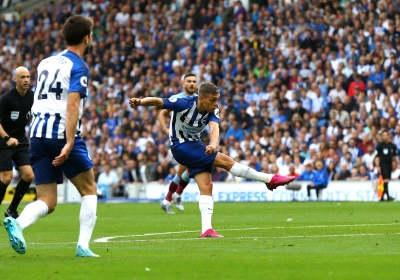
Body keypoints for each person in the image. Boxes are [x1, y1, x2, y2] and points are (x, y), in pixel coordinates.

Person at [129, 82, 295, 238]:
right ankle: (269, 179)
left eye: (218, 100)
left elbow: (214, 129)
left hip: (196, 144)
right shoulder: (183, 103)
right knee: (225, 161)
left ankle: (206, 229)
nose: (216, 103)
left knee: (206, 185)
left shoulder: (212, 111)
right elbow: (158, 101)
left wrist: (213, 144)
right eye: (213, 100)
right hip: (180, 146)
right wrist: (140, 102)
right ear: (201, 98)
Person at [3, 15, 99, 257]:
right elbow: (72, 106)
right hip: (60, 132)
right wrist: (68, 142)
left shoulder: (44, 63)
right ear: (87, 38)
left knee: (48, 201)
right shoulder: (79, 66)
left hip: (36, 133)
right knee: (89, 189)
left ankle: (18, 223)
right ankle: (83, 247)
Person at [158, 73, 198, 214]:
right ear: (183, 84)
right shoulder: (177, 99)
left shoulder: (199, 99)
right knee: (188, 168)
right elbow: (162, 113)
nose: (192, 83)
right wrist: (164, 129)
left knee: (186, 170)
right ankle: (174, 196)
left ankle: (170, 198)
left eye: (194, 81)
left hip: (194, 139)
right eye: (189, 81)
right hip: (180, 140)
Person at [0, 67, 34, 221]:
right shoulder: (7, 98)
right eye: (22, 77)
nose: (26, 80)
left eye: (28, 77)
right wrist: (7, 138)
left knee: (28, 175)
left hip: (20, 141)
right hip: (4, 140)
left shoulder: (31, 96)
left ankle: (11, 210)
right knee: (7, 178)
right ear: (15, 79)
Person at [375, 130, 398, 201]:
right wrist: (378, 165)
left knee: (387, 180)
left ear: (388, 136)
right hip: (383, 164)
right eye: (383, 135)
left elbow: (395, 155)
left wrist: (398, 163)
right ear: (382, 136)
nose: (384, 137)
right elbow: (377, 156)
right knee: (385, 180)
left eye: (386, 135)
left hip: (389, 165)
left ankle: (383, 197)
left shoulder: (392, 146)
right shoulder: (380, 146)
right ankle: (387, 196)